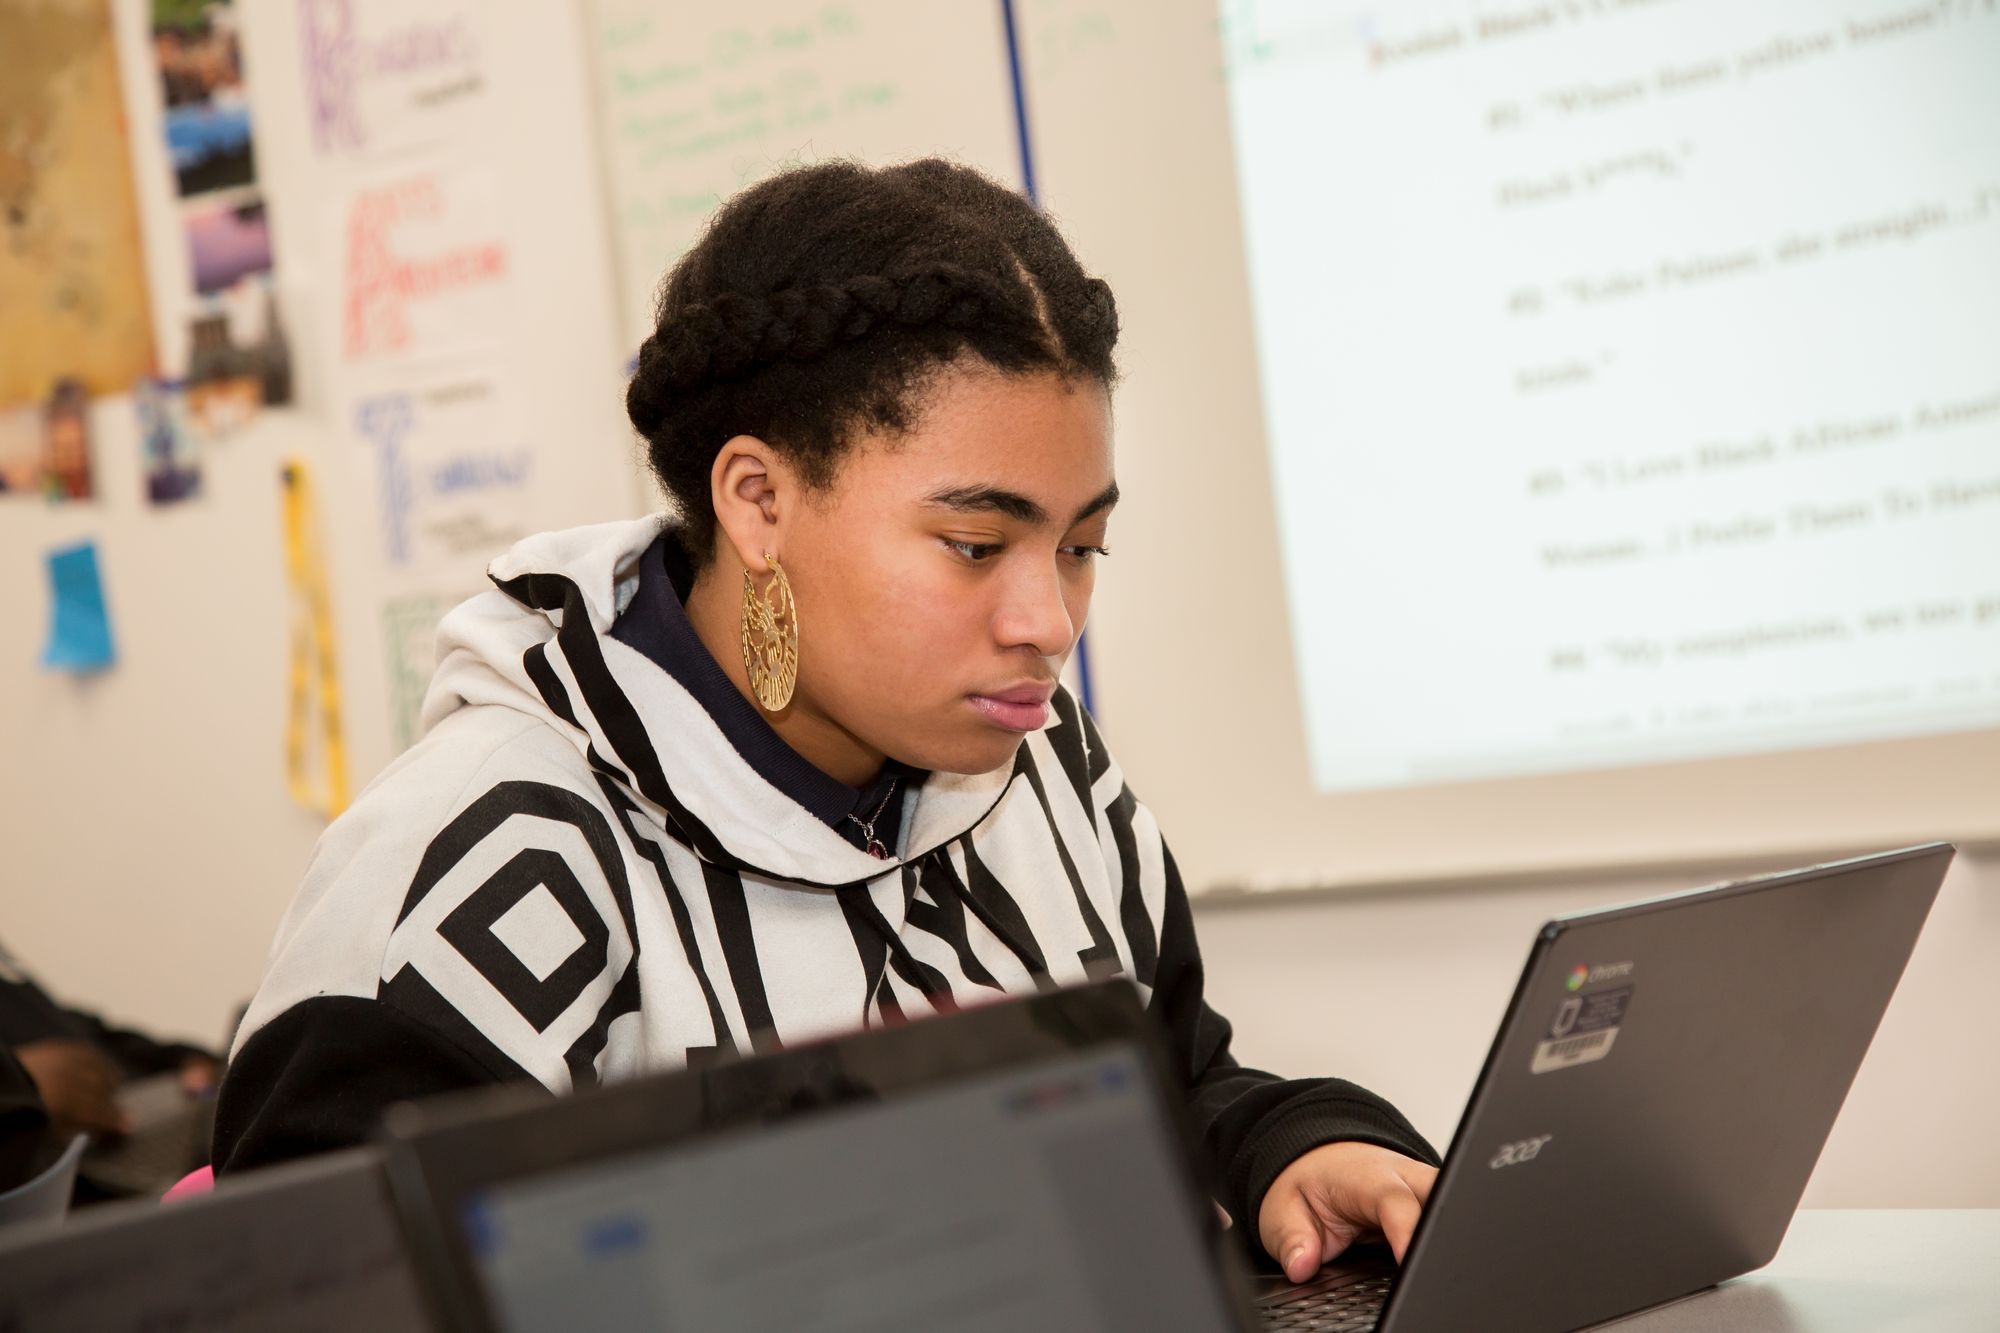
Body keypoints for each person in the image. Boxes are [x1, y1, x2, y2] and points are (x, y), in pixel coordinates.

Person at [214, 158, 1438, 1281]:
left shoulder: (1042, 768)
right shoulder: (470, 876)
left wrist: (1284, 1146)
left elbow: (1172, 1085)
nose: (1048, 621)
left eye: (1081, 545)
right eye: (974, 544)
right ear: (757, 500)